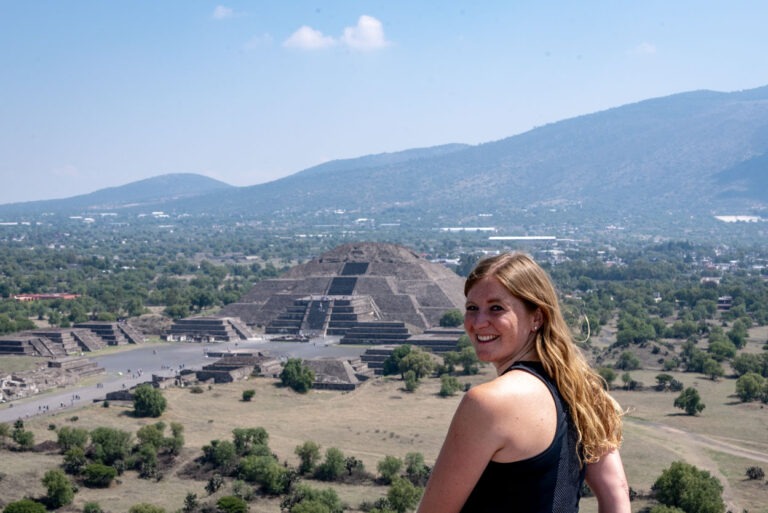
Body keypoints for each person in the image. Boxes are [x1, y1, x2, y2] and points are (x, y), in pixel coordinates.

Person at [417, 252, 629, 513]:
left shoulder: (488, 403)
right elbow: (616, 496)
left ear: (536, 318)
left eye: (496, 308)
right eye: (472, 308)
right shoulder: (583, 391)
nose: (478, 322)